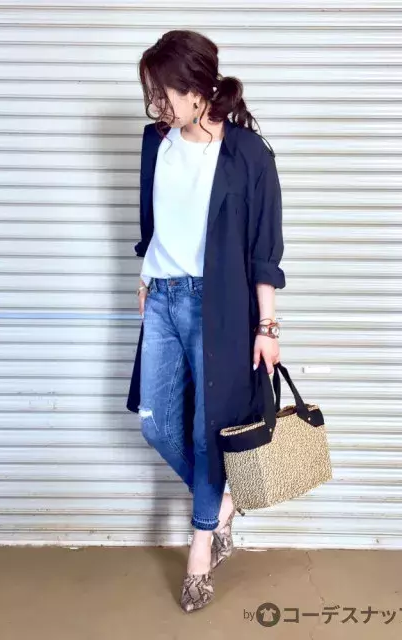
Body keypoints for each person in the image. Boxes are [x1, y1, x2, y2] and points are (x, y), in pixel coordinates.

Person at [126, 29, 286, 613]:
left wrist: (267, 326)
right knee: (157, 424)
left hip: (217, 306)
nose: (158, 105)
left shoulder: (247, 153)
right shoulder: (156, 143)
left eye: (164, 92)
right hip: (162, 300)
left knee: (205, 429)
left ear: (197, 88)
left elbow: (264, 247)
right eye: (152, 93)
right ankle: (220, 504)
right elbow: (152, 222)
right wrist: (146, 275)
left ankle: (201, 548)